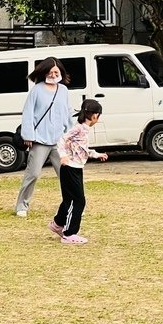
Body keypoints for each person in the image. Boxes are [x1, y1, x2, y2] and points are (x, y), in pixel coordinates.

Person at [14, 57, 73, 217]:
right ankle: (22, 205)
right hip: (40, 140)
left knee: (66, 175)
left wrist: (71, 135)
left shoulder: (64, 90)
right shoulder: (37, 90)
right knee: (33, 173)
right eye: (50, 71)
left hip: (59, 140)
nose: (54, 74)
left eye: (56, 72)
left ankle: (71, 205)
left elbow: (68, 113)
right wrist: (28, 135)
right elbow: (28, 113)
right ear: (44, 72)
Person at [48, 99, 108, 245]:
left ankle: (57, 224)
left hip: (75, 168)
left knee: (69, 199)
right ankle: (69, 234)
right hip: (70, 168)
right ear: (94, 116)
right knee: (79, 201)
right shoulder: (79, 128)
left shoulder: (83, 129)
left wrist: (96, 154)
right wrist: (63, 156)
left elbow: (81, 149)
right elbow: (61, 140)